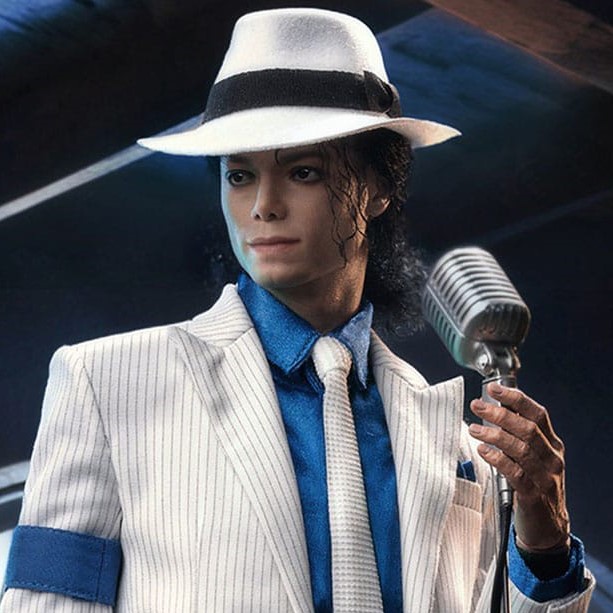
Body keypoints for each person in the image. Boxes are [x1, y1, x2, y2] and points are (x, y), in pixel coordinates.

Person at [1, 7, 594, 612]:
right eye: (239, 175)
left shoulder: (460, 445)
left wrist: (546, 546)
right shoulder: (107, 385)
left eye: (303, 171)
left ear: (379, 186)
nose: (264, 204)